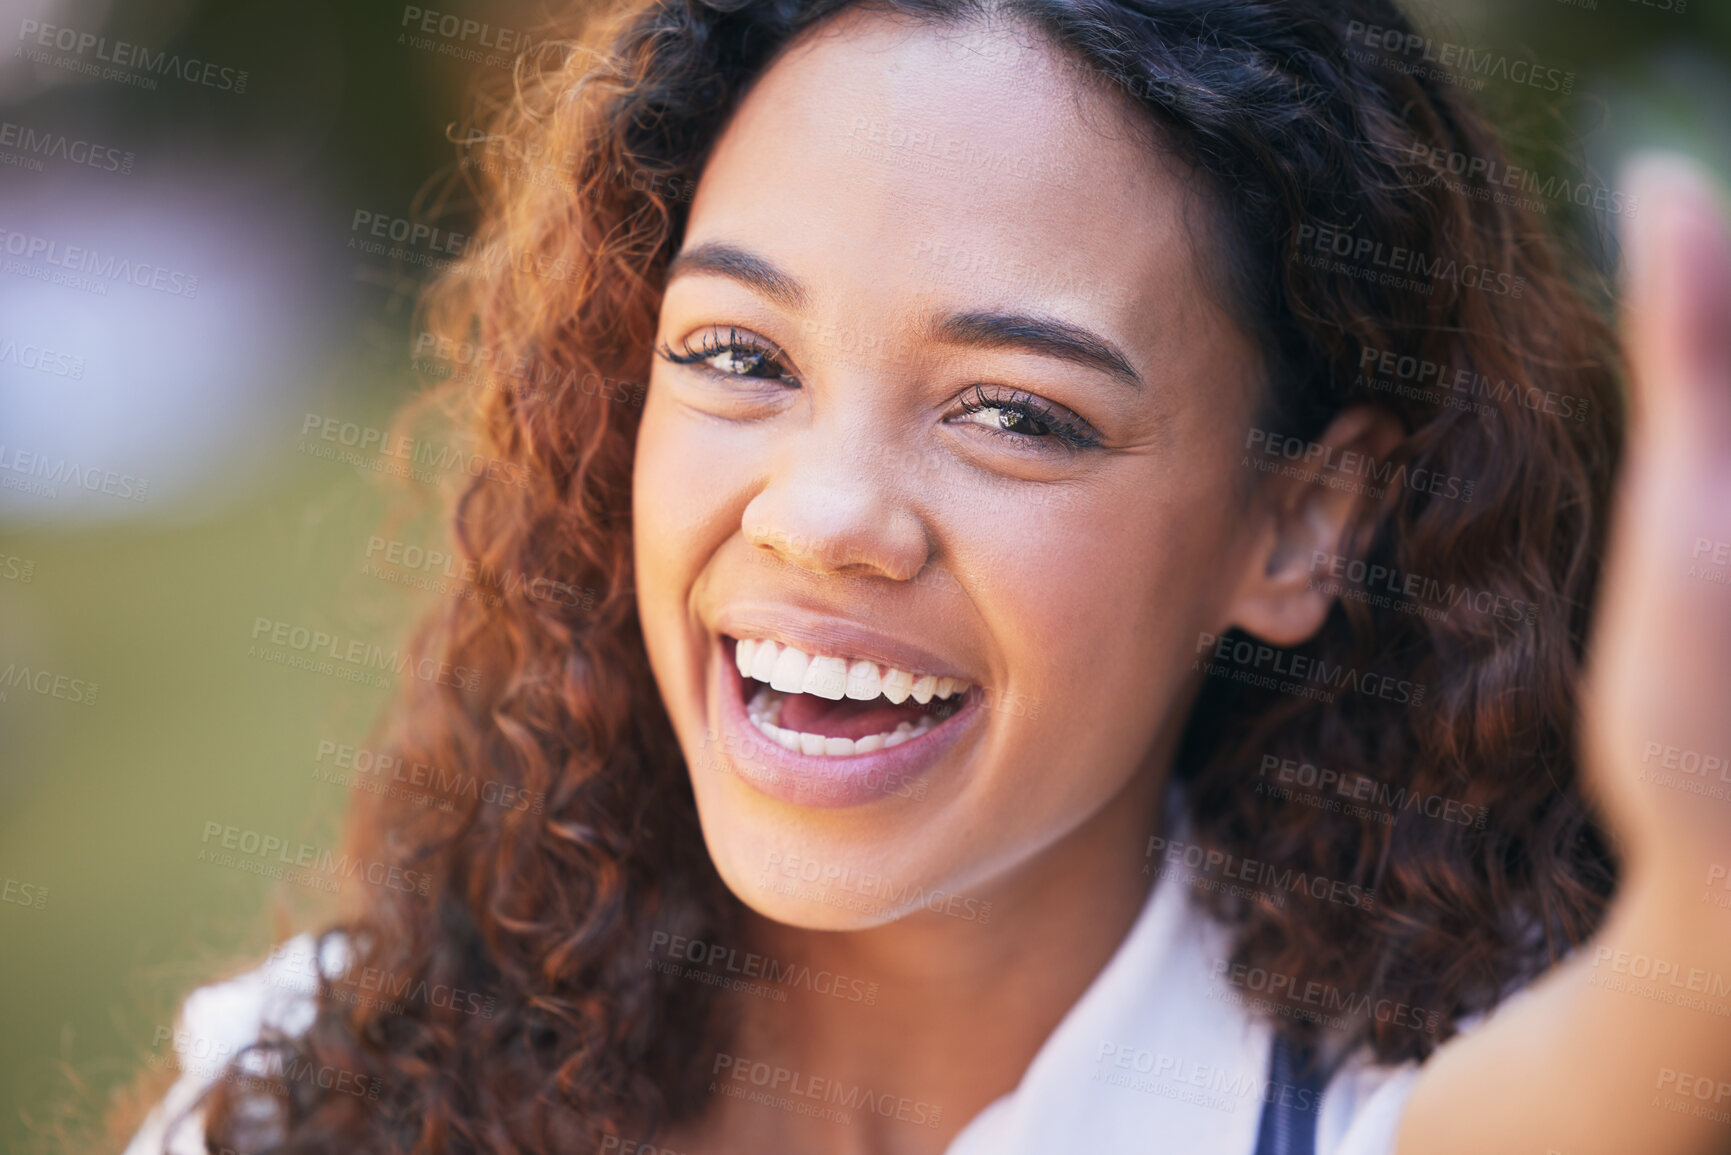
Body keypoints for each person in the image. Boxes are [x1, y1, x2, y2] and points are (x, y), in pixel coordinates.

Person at [121, 0, 1731, 1151]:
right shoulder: (311, 1100)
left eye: (1020, 413)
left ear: (1300, 525)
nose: (825, 518)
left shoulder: (1364, 1112)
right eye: (740, 353)